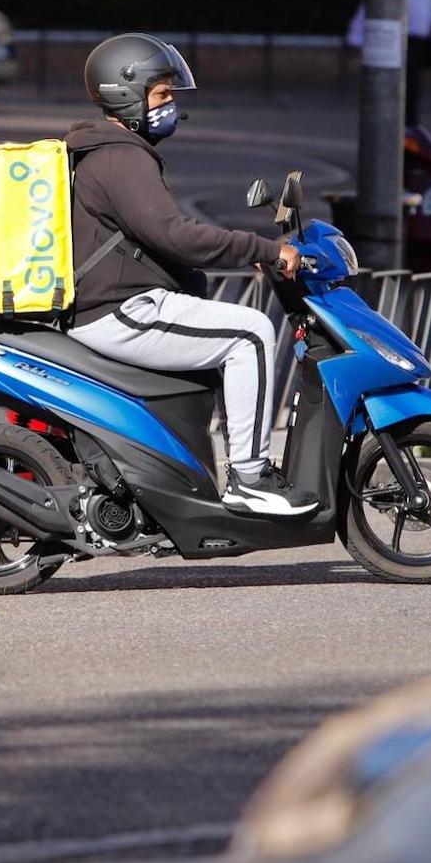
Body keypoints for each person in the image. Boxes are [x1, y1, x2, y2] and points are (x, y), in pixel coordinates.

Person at [63, 33, 318, 517]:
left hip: (115, 302)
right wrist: (262, 249)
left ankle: (201, 479)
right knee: (252, 334)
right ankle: (250, 478)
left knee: (225, 335)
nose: (171, 106)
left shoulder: (105, 151)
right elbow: (176, 235)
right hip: (119, 309)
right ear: (126, 93)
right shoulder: (122, 157)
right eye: (161, 94)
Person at [346, 0, 431, 126]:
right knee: (400, 85)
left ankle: (410, 126)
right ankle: (396, 126)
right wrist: (355, 37)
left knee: (413, 87)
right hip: (399, 37)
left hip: (418, 40)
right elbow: (372, 3)